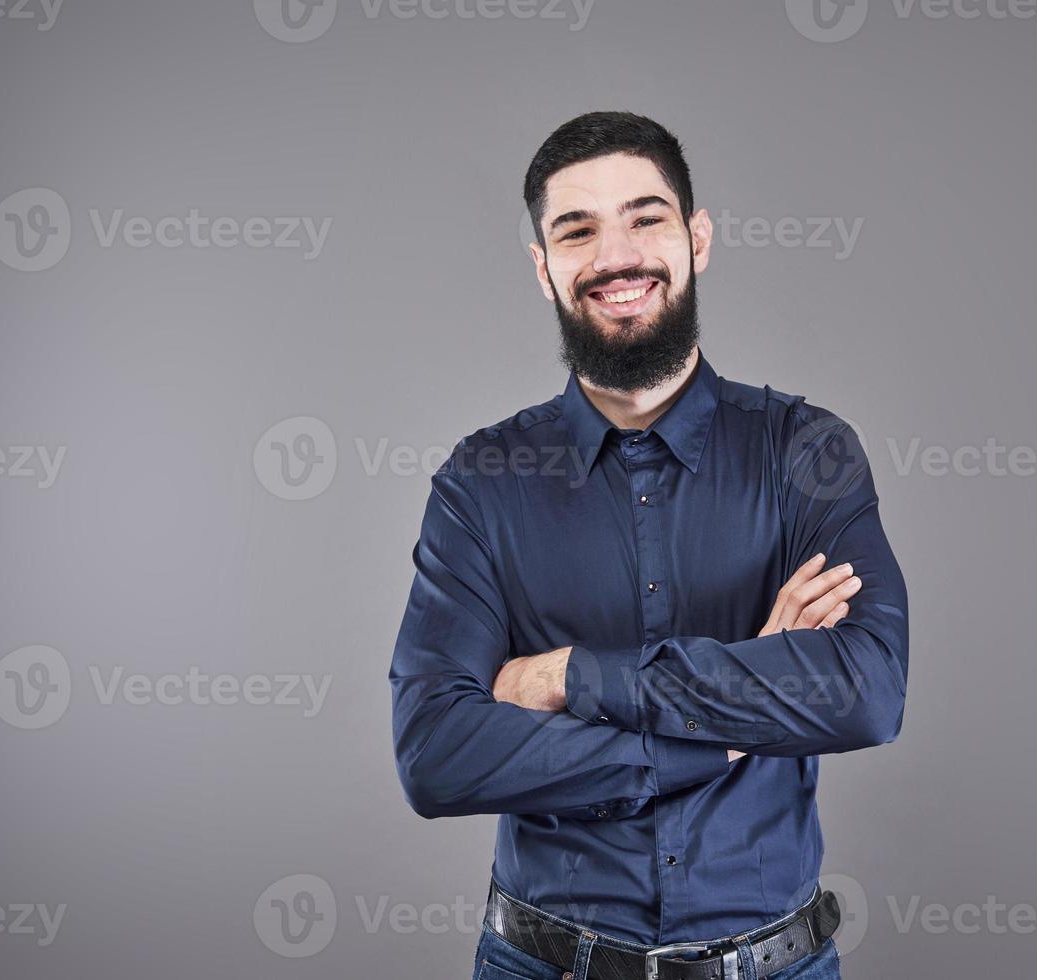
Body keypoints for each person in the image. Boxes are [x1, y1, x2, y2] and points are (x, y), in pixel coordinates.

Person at [389, 111, 909, 980]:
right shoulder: (481, 482)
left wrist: (572, 679)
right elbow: (436, 756)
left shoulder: (805, 452)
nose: (616, 256)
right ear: (543, 267)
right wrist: (736, 716)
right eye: (577, 230)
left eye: (646, 217)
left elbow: (867, 691)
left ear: (696, 238)